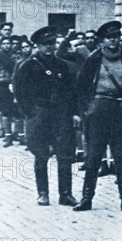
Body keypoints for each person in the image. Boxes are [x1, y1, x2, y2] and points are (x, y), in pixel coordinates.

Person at [72, 21, 122, 214]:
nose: (114, 41)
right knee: (94, 156)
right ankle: (86, 199)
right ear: (102, 40)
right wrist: (86, 110)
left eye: (116, 37)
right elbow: (81, 87)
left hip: (120, 110)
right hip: (98, 110)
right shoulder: (94, 59)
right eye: (109, 37)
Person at [14, 26, 78, 207]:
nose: (49, 47)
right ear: (38, 45)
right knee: (41, 154)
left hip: (60, 115)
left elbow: (70, 92)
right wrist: (30, 114)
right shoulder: (28, 65)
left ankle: (66, 194)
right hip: (39, 114)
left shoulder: (61, 65)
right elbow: (20, 94)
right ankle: (43, 193)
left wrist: (71, 113)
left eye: (52, 43)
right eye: (45, 44)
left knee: (64, 154)